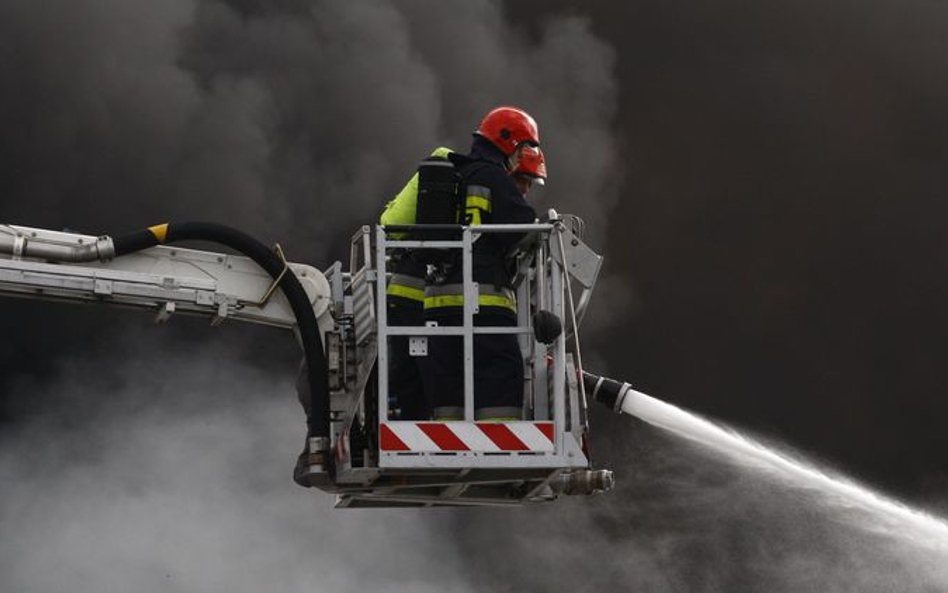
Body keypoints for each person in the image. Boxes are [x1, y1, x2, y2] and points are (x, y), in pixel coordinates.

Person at [422, 106, 540, 421]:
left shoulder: (455, 175)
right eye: (523, 148)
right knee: (500, 370)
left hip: (440, 302)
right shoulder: (492, 175)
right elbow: (523, 227)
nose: (522, 156)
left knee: (450, 379)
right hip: (483, 301)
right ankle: (501, 440)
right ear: (508, 141)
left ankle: (450, 438)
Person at [378, 146, 454, 420]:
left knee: (407, 381)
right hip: (430, 300)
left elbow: (390, 222)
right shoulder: (482, 183)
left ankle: (406, 422)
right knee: (435, 379)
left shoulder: (437, 174)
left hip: (403, 293)